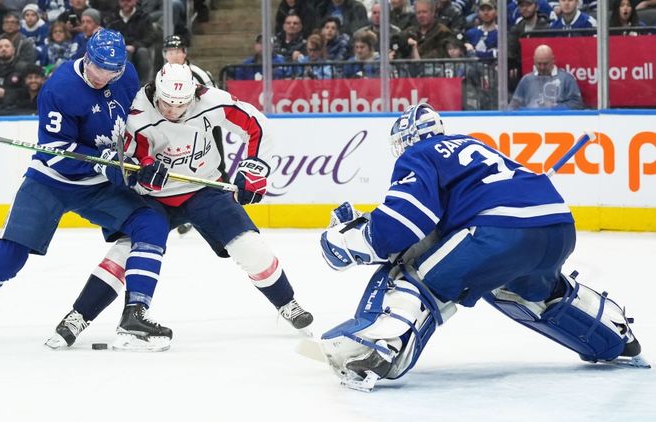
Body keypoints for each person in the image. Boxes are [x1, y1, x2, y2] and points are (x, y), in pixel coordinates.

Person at [317, 103, 648, 391]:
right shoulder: (476, 147)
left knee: (416, 275)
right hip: (558, 227)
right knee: (524, 291)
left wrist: (355, 239)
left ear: (407, 139)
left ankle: (381, 348)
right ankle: (616, 336)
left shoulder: (419, 154)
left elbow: (406, 220)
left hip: (500, 231)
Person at [0, 30, 173, 353]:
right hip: (50, 181)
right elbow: (56, 151)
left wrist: (143, 159)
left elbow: (137, 121)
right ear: (87, 57)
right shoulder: (60, 87)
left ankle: (135, 315)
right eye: (98, 68)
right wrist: (101, 161)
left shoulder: (126, 76)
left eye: (112, 70)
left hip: (97, 186)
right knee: (10, 254)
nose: (103, 77)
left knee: (151, 222)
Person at [44, 63, 314, 349]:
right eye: (166, 104)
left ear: (194, 94)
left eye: (180, 105)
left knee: (251, 247)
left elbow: (259, 126)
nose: (172, 111)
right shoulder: (137, 114)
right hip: (153, 200)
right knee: (125, 253)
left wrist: (254, 169)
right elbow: (126, 166)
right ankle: (78, 316)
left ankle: (288, 303)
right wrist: (143, 173)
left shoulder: (211, 101)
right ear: (155, 92)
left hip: (204, 189)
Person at [161, 34, 218, 235]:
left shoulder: (198, 74)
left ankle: (215, 210)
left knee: (211, 169)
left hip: (201, 131)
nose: (174, 55)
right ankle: (181, 211)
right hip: (173, 131)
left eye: (177, 51)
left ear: (184, 53)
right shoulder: (162, 75)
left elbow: (215, 102)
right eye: (170, 51)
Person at [509, 44, 583, 110]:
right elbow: (514, 105)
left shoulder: (567, 79)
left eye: (545, 64)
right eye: (539, 64)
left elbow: (577, 104)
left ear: (553, 60)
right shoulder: (526, 80)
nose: (542, 67)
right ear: (534, 60)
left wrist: (554, 108)